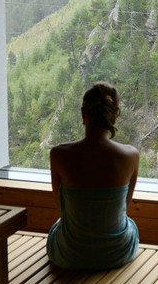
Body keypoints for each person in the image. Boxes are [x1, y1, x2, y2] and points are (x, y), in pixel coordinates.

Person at [46, 81, 140, 270]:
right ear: (114, 116)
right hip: (118, 252)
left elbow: (60, 205)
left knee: (60, 225)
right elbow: (124, 207)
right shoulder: (131, 155)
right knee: (130, 225)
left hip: (70, 255)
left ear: (83, 113)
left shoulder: (59, 154)